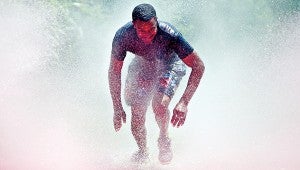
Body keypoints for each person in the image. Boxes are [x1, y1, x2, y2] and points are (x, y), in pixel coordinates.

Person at [108, 3, 205, 164]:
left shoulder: (170, 34)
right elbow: (114, 71)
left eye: (151, 29)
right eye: (141, 30)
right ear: (134, 25)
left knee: (159, 105)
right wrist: (117, 106)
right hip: (142, 67)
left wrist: (184, 102)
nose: (147, 34)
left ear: (157, 22)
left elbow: (198, 65)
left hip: (169, 65)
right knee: (137, 115)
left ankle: (164, 139)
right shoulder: (123, 36)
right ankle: (143, 151)